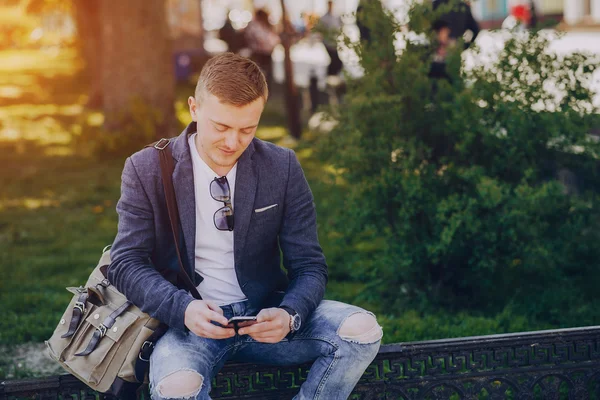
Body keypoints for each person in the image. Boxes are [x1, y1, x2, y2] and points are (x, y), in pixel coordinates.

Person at [108, 53, 383, 400]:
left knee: (363, 331)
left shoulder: (281, 167)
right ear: (194, 109)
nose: (232, 142)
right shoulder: (146, 168)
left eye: (247, 130)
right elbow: (125, 263)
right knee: (177, 390)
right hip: (189, 324)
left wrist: (290, 313)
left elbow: (310, 265)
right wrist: (183, 309)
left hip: (266, 316)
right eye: (221, 127)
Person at [244, 9, 279, 83]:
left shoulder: (263, 25)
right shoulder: (256, 25)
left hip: (264, 53)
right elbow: (260, 39)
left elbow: (274, 39)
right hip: (259, 53)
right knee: (260, 75)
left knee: (265, 75)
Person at [319, 0, 343, 76]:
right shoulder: (324, 18)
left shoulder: (336, 16)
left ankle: (333, 75)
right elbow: (320, 30)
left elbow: (340, 26)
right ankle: (330, 75)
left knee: (336, 61)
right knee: (335, 60)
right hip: (328, 42)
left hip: (334, 42)